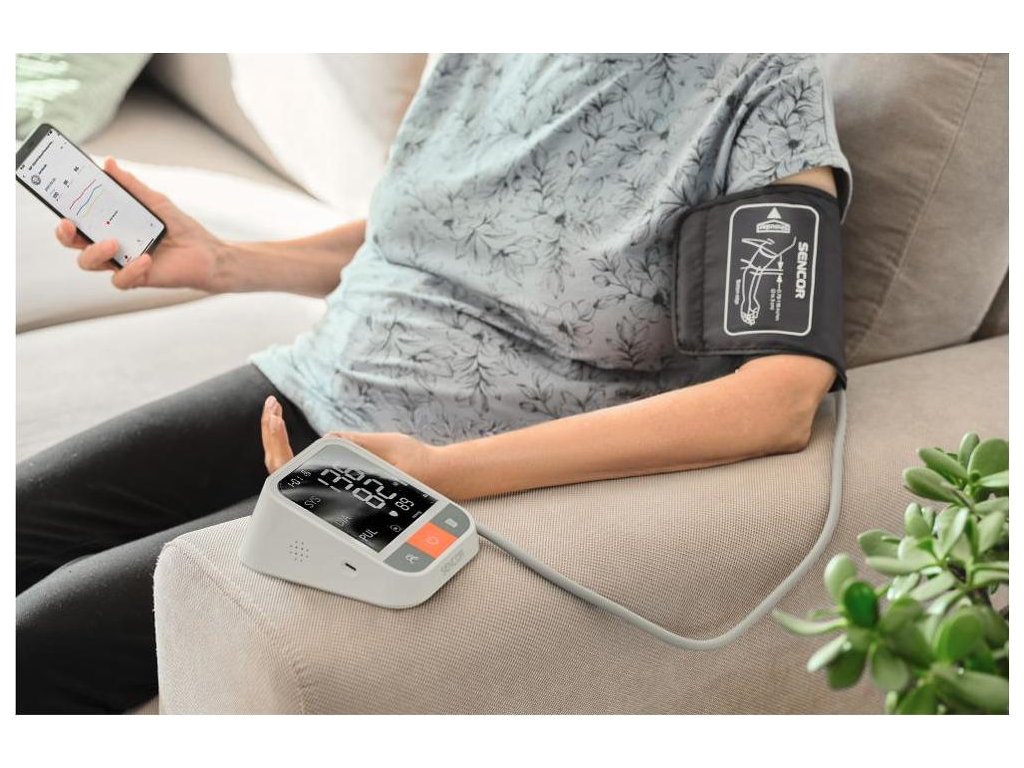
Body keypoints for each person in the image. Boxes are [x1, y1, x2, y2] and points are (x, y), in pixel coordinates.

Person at [16, 53, 851, 713]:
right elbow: (429, 236)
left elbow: (776, 399)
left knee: (39, 641)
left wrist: (441, 472)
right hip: (311, 379)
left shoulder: (757, 89)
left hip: (431, 471)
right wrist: (227, 262)